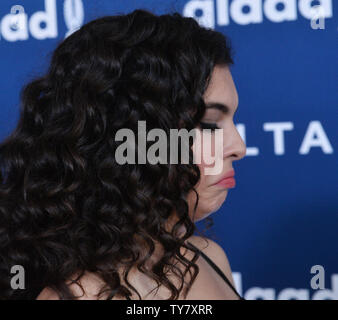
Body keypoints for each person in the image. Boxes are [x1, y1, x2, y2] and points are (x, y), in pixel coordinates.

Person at [0, 9, 246, 300]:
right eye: (208, 125)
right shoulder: (83, 296)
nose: (239, 147)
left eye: (232, 121)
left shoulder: (208, 258)